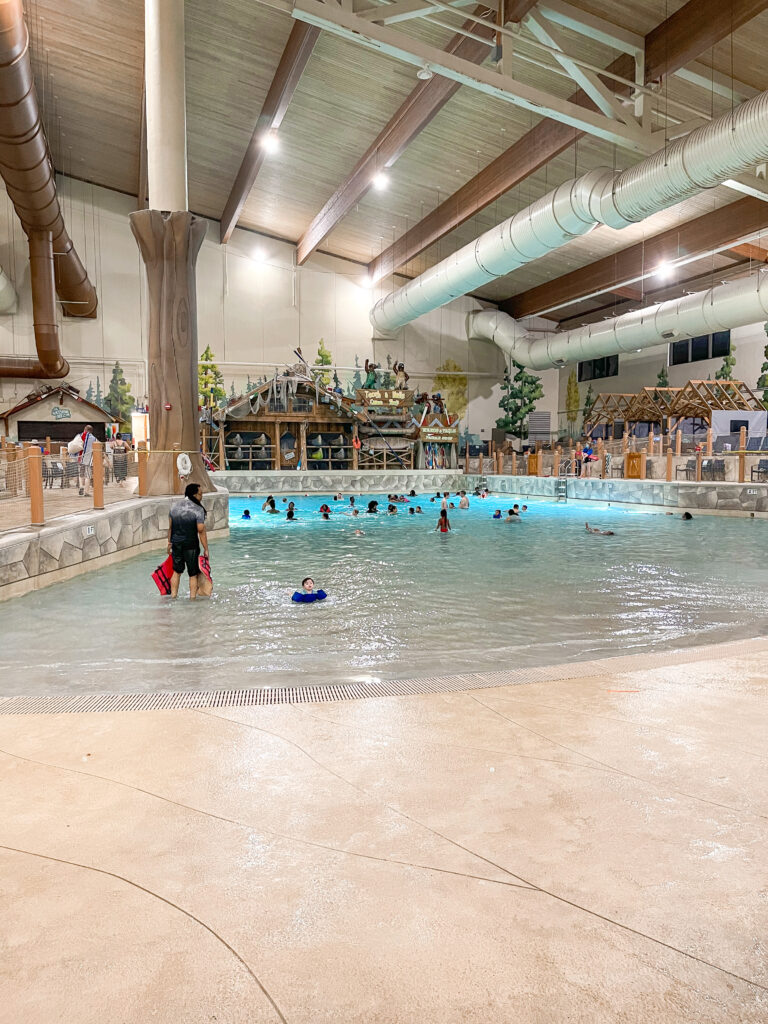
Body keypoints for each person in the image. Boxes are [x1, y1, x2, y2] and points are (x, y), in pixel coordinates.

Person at [167, 483, 209, 600]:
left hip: (176, 543)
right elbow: (200, 530)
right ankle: (192, 599)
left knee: (176, 571)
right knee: (193, 574)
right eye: (200, 494)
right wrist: (206, 549)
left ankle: (173, 596)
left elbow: (170, 527)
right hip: (191, 545)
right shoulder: (198, 509)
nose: (201, 497)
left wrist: (169, 543)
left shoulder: (174, 507)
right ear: (194, 495)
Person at [78, 425, 95, 496]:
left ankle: (81, 486)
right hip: (88, 459)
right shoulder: (93, 438)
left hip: (80, 457)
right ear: (91, 431)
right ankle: (86, 492)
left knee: (81, 474)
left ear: (85, 429)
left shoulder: (79, 436)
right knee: (88, 476)